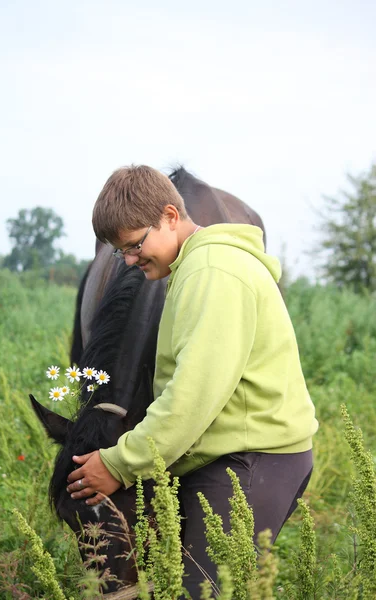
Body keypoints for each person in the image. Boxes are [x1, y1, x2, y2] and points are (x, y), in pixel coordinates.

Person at [66, 165, 318, 598]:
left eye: (134, 245)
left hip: (251, 459)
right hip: (232, 453)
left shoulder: (212, 273)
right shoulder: (192, 268)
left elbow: (190, 398)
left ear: (168, 215)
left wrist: (117, 464)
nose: (129, 260)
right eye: (119, 253)